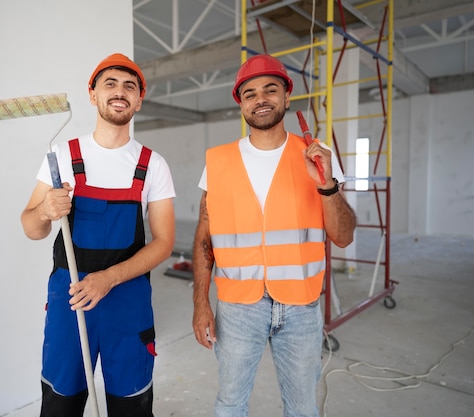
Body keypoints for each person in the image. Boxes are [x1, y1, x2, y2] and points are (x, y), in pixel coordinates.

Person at [191, 54, 357, 417]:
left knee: (302, 407)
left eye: (270, 89)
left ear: (286, 97)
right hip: (237, 307)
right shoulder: (218, 162)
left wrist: (328, 185)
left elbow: (343, 236)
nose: (260, 98)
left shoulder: (317, 158)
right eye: (250, 93)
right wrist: (201, 304)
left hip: (301, 306)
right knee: (231, 404)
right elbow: (205, 240)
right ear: (241, 103)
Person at [21, 53, 175, 417]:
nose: (119, 92)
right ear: (92, 94)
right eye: (110, 84)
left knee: (132, 406)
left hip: (128, 300)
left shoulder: (152, 164)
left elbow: (164, 241)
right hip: (71, 298)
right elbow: (31, 227)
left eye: (129, 86)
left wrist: (109, 278)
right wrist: (45, 210)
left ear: (139, 99)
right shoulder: (62, 157)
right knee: (60, 403)